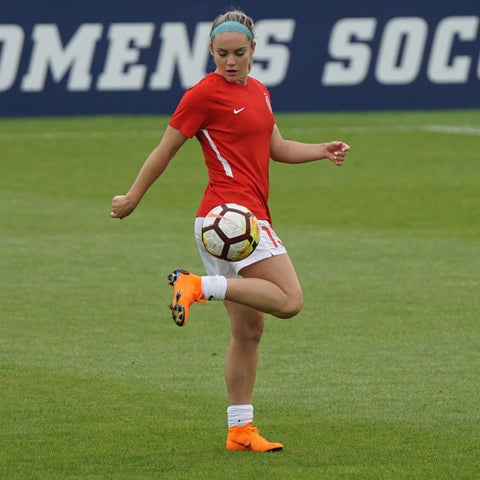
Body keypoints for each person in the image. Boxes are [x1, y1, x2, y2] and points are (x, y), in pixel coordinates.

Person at [111, 10, 350, 452]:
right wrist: (132, 197)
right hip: (232, 219)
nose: (231, 62)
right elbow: (165, 149)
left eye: (239, 53)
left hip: (231, 222)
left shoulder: (259, 91)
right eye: (222, 54)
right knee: (291, 301)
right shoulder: (202, 95)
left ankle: (240, 431)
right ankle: (198, 285)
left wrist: (321, 149)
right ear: (210, 52)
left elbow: (275, 147)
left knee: (248, 331)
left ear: (254, 50)